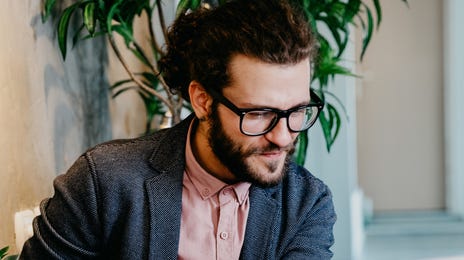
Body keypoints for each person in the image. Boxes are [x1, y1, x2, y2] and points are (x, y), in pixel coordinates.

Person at [20, 0, 336, 259]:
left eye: (297, 110)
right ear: (202, 101)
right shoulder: (103, 184)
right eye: (258, 113)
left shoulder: (307, 206)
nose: (282, 137)